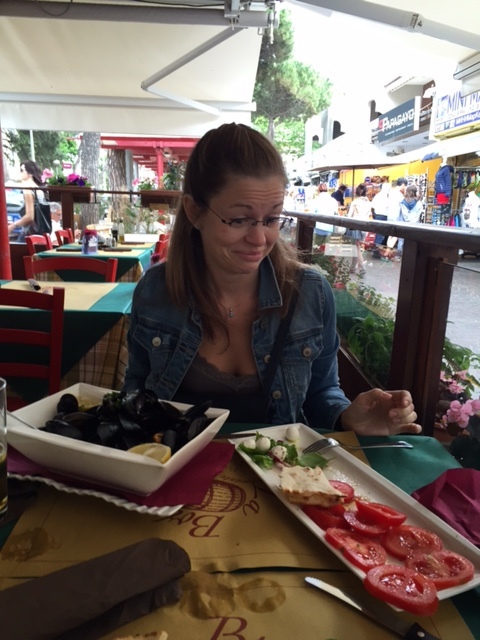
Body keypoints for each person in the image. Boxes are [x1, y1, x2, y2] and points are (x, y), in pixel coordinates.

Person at [124, 123, 420, 436]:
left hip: (279, 466)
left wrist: (346, 417)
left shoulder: (310, 293)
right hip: (177, 461)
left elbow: (321, 392)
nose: (259, 238)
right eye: (240, 219)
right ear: (195, 211)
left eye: (272, 218)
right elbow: (137, 392)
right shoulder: (156, 289)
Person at [7, 160, 46, 239]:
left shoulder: (28, 189)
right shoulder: (38, 188)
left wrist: (13, 225)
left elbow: (30, 216)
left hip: (29, 232)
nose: (20, 172)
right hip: (41, 230)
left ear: (30, 174)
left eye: (22, 170)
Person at [346, 183, 371, 276]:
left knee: (356, 247)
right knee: (357, 246)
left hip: (355, 226)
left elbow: (349, 216)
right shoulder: (368, 202)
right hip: (365, 227)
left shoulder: (355, 202)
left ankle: (362, 267)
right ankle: (352, 267)